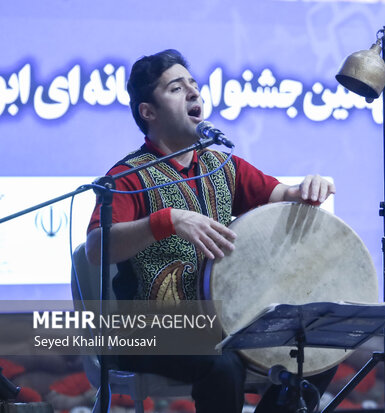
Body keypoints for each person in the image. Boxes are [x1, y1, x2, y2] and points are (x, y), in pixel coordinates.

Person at [86, 49, 337, 413]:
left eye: (194, 85)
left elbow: (284, 197)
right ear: (148, 112)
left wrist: (309, 189)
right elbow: (97, 248)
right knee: (222, 363)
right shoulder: (128, 177)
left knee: (318, 351)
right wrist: (167, 220)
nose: (194, 93)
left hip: (222, 325)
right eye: (176, 88)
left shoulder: (223, 166)